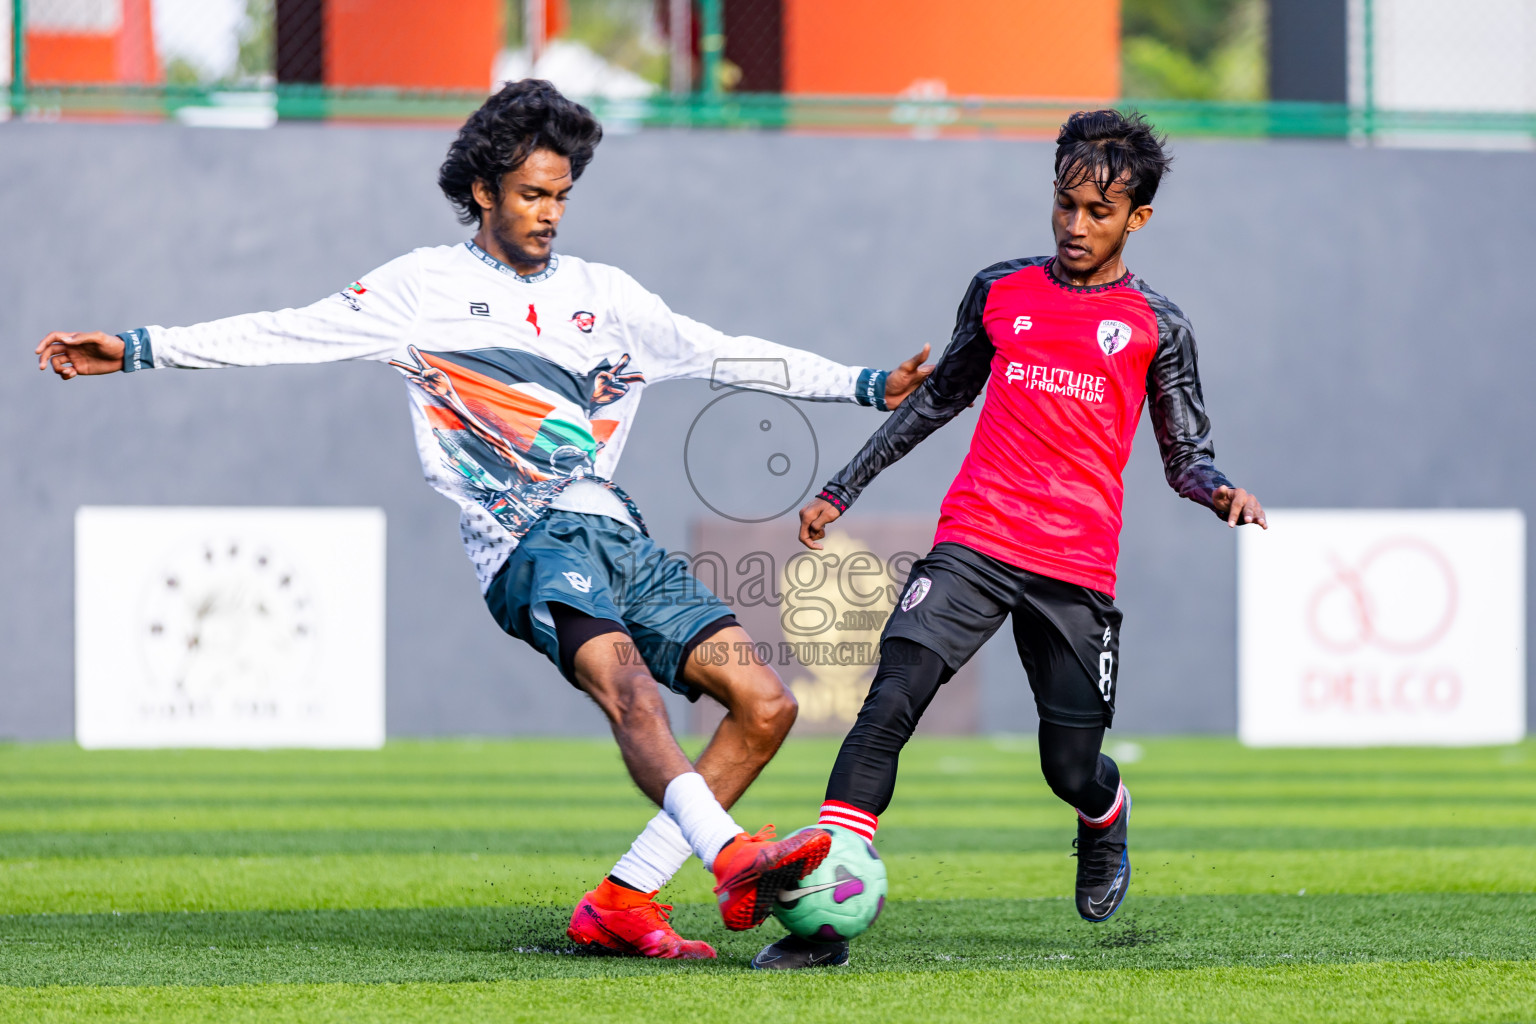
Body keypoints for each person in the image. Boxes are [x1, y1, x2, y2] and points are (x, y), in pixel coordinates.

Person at [34, 79, 933, 960]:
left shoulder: (603, 293)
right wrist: (141, 349)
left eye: (562, 196)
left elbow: (721, 351)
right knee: (629, 688)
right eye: (533, 194)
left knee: (767, 705)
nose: (549, 213)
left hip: (615, 532)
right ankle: (733, 856)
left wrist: (860, 383)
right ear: (481, 191)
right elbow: (284, 330)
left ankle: (623, 902)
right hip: (526, 541)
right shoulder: (419, 290)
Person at [752, 110, 1266, 970]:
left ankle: (1104, 819)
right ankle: (825, 925)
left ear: (1136, 219)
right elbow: (936, 399)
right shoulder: (1000, 290)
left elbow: (1185, 455)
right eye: (1065, 204)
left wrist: (1218, 492)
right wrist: (842, 486)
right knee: (890, 698)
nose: (1075, 225)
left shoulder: (1156, 326)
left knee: (1069, 767)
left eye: (1099, 212)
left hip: (1073, 568)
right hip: (975, 541)